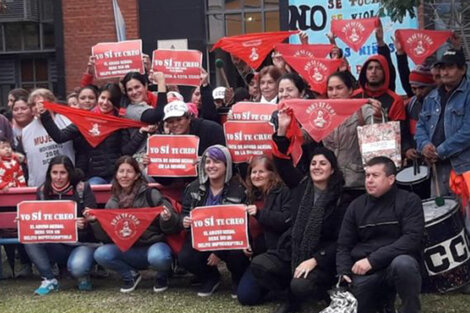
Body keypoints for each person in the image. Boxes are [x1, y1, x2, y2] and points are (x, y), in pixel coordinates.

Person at [259, 123, 347, 313]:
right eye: (314, 163)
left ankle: (320, 295)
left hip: (322, 260)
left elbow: (341, 241)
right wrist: (282, 131)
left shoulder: (342, 198)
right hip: (293, 251)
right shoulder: (300, 186)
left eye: (323, 164)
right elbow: (281, 163)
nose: (317, 167)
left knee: (301, 285)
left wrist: (316, 259)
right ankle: (289, 296)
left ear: (332, 170)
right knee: (260, 265)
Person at [337, 156, 424, 313]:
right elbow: (343, 245)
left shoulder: (409, 201)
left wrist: (373, 260)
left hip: (395, 264)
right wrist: (343, 271)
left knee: (404, 265)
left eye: (375, 175)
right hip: (365, 271)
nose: (369, 180)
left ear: (391, 179)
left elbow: (411, 239)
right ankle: (383, 303)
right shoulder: (355, 206)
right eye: (367, 175)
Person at [89, 156, 177, 293]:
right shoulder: (112, 203)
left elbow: (172, 227)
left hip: (153, 246)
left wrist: (167, 218)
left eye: (129, 171)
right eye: (121, 171)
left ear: (136, 175)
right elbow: (107, 238)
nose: (124, 175)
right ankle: (130, 274)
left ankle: (163, 274)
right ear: (116, 175)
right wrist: (95, 222)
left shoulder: (151, 194)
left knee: (159, 257)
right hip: (128, 249)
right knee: (101, 254)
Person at [37, 84, 152, 185]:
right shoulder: (86, 119)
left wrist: (141, 133)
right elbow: (59, 137)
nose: (105, 103)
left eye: (110, 100)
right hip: (94, 176)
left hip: (118, 175)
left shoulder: (119, 121)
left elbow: (126, 151)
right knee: (93, 188)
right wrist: (45, 116)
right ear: (98, 98)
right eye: (103, 98)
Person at [178, 145, 249, 297]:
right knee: (185, 257)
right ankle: (210, 277)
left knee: (237, 253)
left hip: (230, 239)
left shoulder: (239, 190)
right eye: (207, 162)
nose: (211, 166)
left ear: (226, 165)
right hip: (202, 237)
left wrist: (218, 252)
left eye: (216, 162)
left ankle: (237, 278)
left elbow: (242, 226)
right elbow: (184, 213)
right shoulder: (193, 187)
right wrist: (184, 220)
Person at [24, 155, 97, 295]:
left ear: (70, 172)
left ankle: (82, 275)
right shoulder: (42, 191)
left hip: (81, 243)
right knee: (30, 239)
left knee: (77, 267)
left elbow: (92, 215)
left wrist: (86, 221)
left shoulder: (82, 188)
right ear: (49, 173)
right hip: (56, 244)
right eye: (54, 173)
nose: (58, 177)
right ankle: (49, 279)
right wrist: (26, 221)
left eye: (63, 173)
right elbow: (39, 219)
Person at [237, 156, 294, 305]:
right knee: (246, 297)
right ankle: (270, 288)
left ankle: (284, 288)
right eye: (253, 172)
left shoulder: (284, 192)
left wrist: (260, 213)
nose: (256, 176)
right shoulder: (249, 195)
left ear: (272, 173)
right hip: (257, 255)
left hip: (279, 253)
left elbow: (286, 220)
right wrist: (246, 243)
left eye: (261, 171)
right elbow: (245, 226)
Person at [415, 48, 470, 196]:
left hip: (464, 167)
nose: (444, 72)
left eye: (450, 67)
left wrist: (439, 151)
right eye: (442, 68)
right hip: (437, 168)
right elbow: (420, 126)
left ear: (463, 69)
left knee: (465, 216)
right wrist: (424, 146)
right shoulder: (432, 97)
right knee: (441, 214)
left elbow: (467, 132)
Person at [322, 71, 376, 198]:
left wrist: (378, 115)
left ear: (350, 90)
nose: (334, 93)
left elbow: (377, 134)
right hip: (331, 183)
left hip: (358, 183)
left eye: (339, 88)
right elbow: (305, 136)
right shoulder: (322, 114)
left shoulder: (364, 110)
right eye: (330, 89)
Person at [20, 88, 75, 186]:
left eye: (42, 103)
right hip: (39, 186)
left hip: (67, 184)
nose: (37, 107)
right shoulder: (25, 132)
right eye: (33, 104)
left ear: (52, 103)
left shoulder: (67, 121)